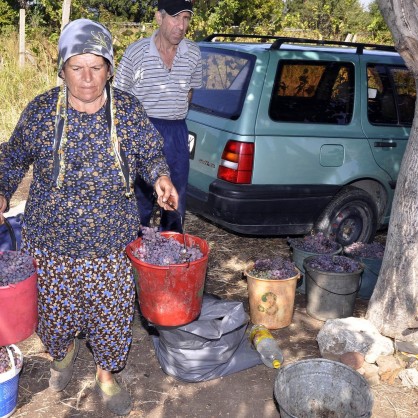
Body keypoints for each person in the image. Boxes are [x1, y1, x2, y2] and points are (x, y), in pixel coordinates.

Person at [0, 19, 178, 416]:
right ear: (62, 70)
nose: (86, 78)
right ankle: (62, 354)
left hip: (110, 242)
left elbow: (150, 154)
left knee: (110, 312)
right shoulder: (44, 111)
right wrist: (2, 190)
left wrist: (161, 177)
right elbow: (12, 158)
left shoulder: (128, 111)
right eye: (76, 67)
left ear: (110, 69)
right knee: (54, 309)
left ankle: (106, 374)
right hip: (50, 241)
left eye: (96, 67)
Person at [114, 0, 202, 233]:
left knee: (175, 198)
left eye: (186, 19)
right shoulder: (136, 52)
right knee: (139, 199)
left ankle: (169, 254)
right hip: (143, 130)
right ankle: (134, 251)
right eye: (175, 17)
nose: (181, 26)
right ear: (159, 17)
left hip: (176, 132)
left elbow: (190, 92)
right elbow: (119, 98)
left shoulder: (193, 53)